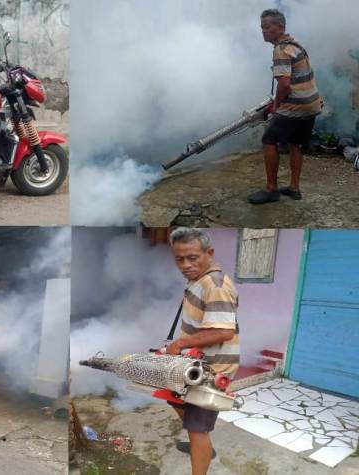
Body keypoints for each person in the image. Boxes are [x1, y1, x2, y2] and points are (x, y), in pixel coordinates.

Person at [166, 228, 240, 475]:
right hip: (194, 363)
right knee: (171, 396)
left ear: (209, 253)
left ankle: (200, 445)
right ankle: (201, 442)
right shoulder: (198, 280)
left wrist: (178, 345)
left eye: (193, 257)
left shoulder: (215, 284)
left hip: (212, 368)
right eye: (179, 259)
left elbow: (223, 332)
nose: (185, 265)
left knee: (198, 428)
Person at [247, 9, 322, 205]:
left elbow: (285, 85)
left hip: (296, 106)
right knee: (295, 143)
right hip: (311, 104)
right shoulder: (296, 45)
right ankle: (294, 188)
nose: (263, 31)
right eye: (262, 27)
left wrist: (276, 105)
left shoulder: (281, 49)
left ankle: (271, 189)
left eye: (267, 27)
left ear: (280, 27)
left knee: (269, 139)